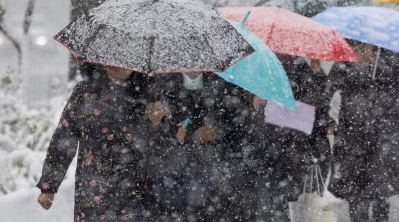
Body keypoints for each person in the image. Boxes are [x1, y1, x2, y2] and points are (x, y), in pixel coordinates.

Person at [36, 65, 154, 220]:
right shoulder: (85, 91)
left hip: (135, 191)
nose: (117, 67)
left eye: (124, 64)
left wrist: (157, 122)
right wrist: (48, 186)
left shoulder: (148, 93)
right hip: (93, 193)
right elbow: (64, 139)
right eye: (112, 61)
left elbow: (164, 144)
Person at [147, 71, 256, 222]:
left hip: (214, 178)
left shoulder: (223, 81)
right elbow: (154, 144)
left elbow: (237, 122)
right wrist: (157, 126)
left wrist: (216, 132)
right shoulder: (162, 84)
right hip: (175, 182)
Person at [328, 42, 399, 222]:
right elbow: (330, 91)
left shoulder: (389, 67)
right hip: (352, 139)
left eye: (365, 48)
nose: (361, 53)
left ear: (374, 49)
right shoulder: (343, 67)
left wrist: (379, 101)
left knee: (380, 192)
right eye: (357, 49)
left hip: (381, 141)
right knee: (356, 194)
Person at [251, 56, 333, 221]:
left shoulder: (312, 76)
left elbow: (319, 116)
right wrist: (256, 106)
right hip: (276, 150)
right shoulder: (266, 71)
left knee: (292, 203)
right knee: (277, 204)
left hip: (294, 152)